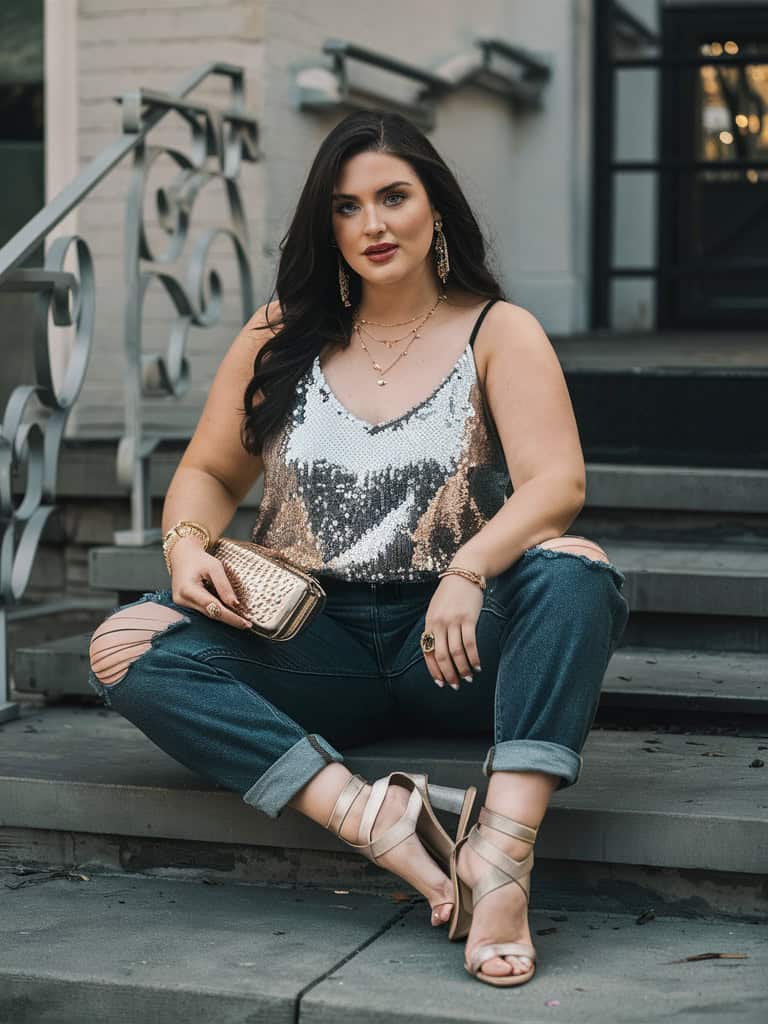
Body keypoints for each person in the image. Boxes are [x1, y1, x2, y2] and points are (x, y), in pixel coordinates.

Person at [87, 110, 630, 988]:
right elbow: (209, 473)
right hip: (311, 641)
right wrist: (185, 546)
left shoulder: (499, 330)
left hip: (452, 644)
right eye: (347, 207)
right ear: (326, 224)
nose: (372, 224)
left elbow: (556, 485)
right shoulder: (280, 334)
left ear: (436, 207)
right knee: (123, 646)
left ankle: (500, 854)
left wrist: (469, 568)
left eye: (393, 197)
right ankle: (375, 819)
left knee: (577, 570)